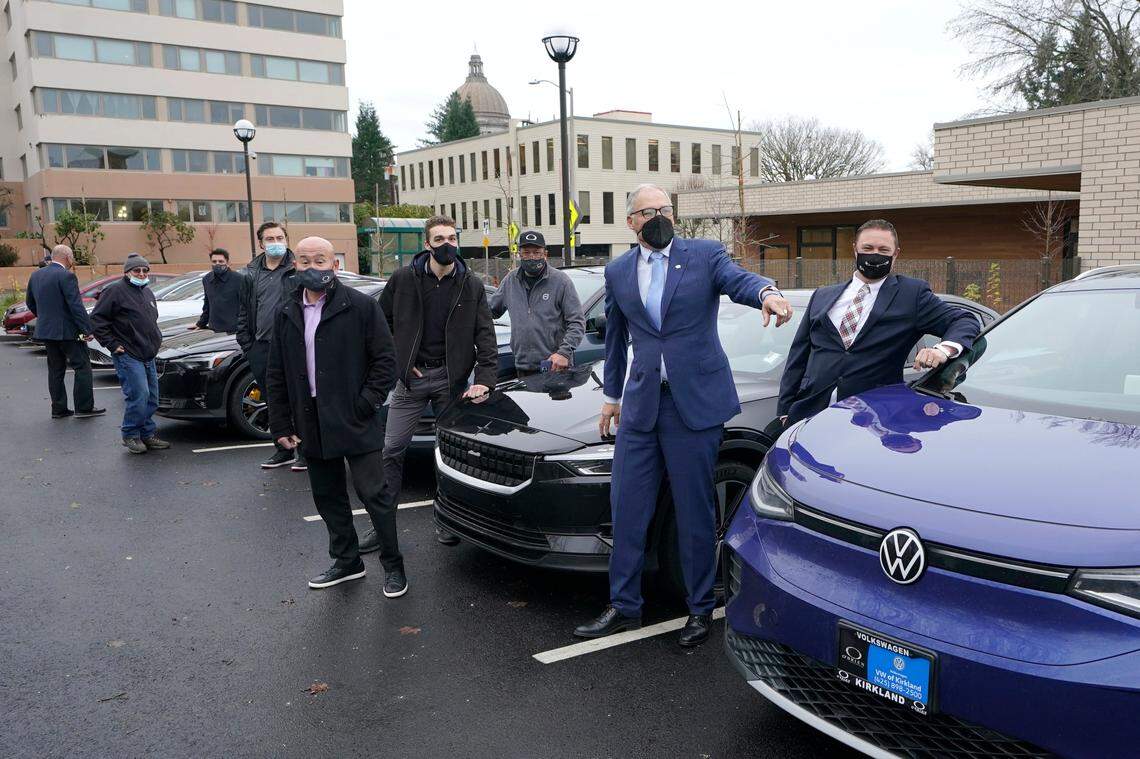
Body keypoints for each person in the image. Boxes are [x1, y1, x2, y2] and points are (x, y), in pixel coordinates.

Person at [574, 184, 794, 648]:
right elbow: (614, 340)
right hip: (641, 406)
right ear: (631, 222)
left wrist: (767, 294)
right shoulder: (617, 271)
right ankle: (623, 604)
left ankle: (698, 609)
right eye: (648, 211)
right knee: (627, 506)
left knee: (695, 510)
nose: (659, 216)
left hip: (693, 405)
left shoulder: (704, 254)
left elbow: (741, 280)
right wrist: (611, 397)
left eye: (665, 209)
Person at [265, 237, 401, 592]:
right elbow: (276, 371)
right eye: (305, 260)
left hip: (353, 415)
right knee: (327, 495)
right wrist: (281, 421)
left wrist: (367, 402)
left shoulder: (360, 306)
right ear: (295, 265)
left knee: (374, 495)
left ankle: (393, 564)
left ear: (335, 265)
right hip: (309, 418)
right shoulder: (287, 311)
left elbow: (386, 361)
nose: (313, 268)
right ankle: (347, 561)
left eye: (321, 260)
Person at [357, 214, 497, 553]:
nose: (447, 245)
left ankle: (448, 521)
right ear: (427, 244)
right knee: (390, 450)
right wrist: (401, 361)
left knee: (449, 455)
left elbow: (486, 336)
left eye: (452, 238)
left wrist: (485, 381)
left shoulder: (471, 283)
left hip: (451, 381)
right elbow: (380, 322)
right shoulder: (404, 279)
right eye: (440, 239)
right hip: (411, 380)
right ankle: (381, 526)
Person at [776, 219, 980, 427]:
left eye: (883, 249)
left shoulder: (912, 294)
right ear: (855, 249)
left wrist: (942, 350)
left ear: (896, 254)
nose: (875, 254)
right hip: (810, 415)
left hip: (875, 419)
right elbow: (798, 356)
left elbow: (964, 320)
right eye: (868, 248)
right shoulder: (822, 295)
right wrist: (784, 411)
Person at [236, 222, 305, 472]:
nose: (275, 242)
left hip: (293, 346)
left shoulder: (298, 269)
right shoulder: (250, 273)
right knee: (273, 400)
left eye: (279, 237)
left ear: (286, 239)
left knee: (299, 398)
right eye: (270, 238)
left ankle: (305, 451)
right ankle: (283, 449)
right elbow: (243, 310)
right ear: (261, 243)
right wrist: (247, 344)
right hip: (262, 348)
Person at [91, 253, 170, 455]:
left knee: (152, 396)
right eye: (137, 270)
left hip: (148, 353)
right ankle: (131, 434)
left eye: (145, 270)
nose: (141, 274)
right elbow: (98, 320)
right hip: (128, 354)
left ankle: (147, 434)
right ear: (127, 272)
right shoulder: (115, 291)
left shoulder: (147, 292)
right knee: (138, 395)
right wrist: (111, 344)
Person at [489, 230, 585, 377]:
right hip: (522, 366)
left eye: (537, 252)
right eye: (526, 252)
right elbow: (491, 311)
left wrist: (564, 353)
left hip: (555, 366)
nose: (532, 257)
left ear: (545, 254)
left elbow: (577, 322)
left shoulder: (561, 281)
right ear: (519, 254)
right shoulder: (510, 280)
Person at [24, 244, 105, 420]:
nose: (72, 260)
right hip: (69, 332)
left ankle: (58, 409)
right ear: (67, 257)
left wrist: (45, 318)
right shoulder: (67, 276)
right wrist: (87, 329)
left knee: (55, 370)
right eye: (72, 257)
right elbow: (75, 305)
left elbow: (30, 302)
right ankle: (84, 408)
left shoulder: (36, 275)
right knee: (82, 367)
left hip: (47, 332)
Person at [189, 248, 241, 333]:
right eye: (214, 261)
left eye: (221, 261)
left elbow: (246, 306)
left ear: (227, 263)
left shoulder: (239, 279)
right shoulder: (207, 279)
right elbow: (207, 305)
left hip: (234, 330)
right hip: (214, 329)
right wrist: (201, 323)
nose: (217, 264)